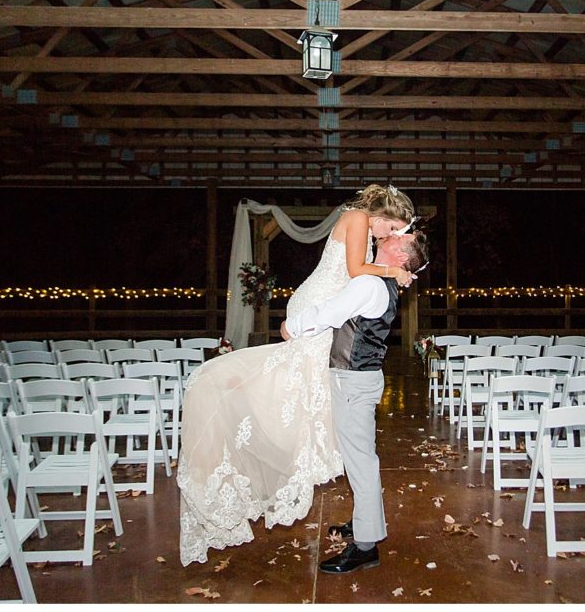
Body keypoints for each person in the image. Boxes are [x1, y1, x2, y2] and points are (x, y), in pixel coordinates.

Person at [178, 185, 416, 566]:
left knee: (324, 412)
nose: (389, 236)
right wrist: (394, 270)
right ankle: (270, 440)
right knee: (301, 402)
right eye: (391, 228)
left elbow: (359, 281)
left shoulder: (370, 236)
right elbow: (355, 271)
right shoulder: (357, 219)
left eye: (394, 235)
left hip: (329, 321)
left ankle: (361, 522)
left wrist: (389, 269)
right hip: (319, 313)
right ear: (381, 214)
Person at [281, 231, 430, 574]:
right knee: (360, 458)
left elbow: (330, 312)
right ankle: (364, 522)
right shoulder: (379, 282)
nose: (390, 236)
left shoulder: (370, 285)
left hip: (353, 381)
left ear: (400, 259)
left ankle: (365, 545)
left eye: (397, 240)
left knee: (361, 462)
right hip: (359, 380)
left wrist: (293, 327)